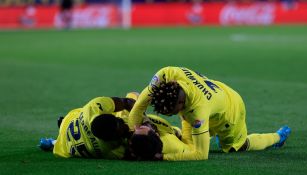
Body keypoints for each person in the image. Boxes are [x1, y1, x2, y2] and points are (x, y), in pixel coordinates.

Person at [128, 66, 291, 161]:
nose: (170, 115)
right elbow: (139, 106)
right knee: (186, 144)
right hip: (214, 93)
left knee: (237, 147)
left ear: (180, 104)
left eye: (172, 112)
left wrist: (162, 157)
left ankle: (277, 137)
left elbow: (201, 155)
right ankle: (200, 134)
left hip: (230, 110)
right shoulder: (167, 73)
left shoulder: (198, 112)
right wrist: (132, 132)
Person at [39, 92, 138, 159]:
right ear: (110, 140)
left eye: (119, 121)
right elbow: (139, 152)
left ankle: (54, 139)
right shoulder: (109, 149)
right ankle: (53, 142)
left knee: (132, 97)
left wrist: (143, 118)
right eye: (122, 132)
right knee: (134, 95)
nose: (125, 127)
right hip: (67, 138)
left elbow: (125, 102)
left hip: (69, 123)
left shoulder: (93, 108)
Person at [129, 114, 193, 160]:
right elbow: (191, 150)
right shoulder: (172, 146)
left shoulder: (131, 127)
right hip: (182, 139)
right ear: (156, 134)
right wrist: (185, 119)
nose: (135, 126)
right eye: (141, 128)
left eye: (135, 131)